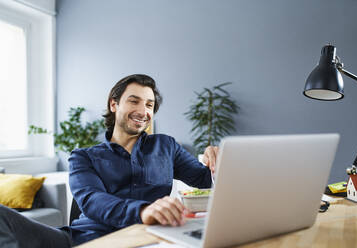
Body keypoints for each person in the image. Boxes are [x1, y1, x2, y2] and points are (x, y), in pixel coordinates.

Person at [0, 74, 218, 247]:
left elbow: (205, 179)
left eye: (149, 105)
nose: (143, 111)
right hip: (84, 239)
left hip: (146, 238)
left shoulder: (166, 146)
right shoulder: (83, 156)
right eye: (134, 101)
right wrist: (143, 211)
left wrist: (218, 160)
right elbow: (93, 200)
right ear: (113, 105)